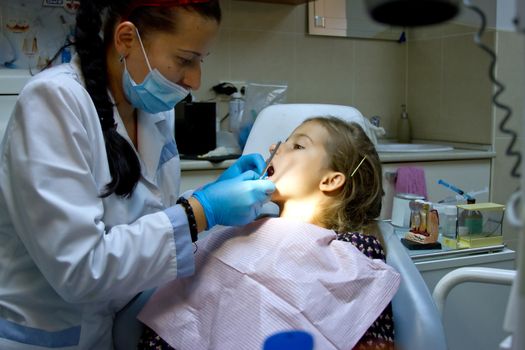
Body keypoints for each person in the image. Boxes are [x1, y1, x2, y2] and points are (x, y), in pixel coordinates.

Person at [0, 1, 275, 349]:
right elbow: (82, 269)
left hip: (118, 327)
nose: (194, 81)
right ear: (126, 39)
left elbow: (146, 219)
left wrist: (205, 197)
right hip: (51, 335)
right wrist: (200, 211)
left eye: (200, 61)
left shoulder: (153, 110)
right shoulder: (54, 102)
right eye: (185, 59)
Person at [138, 116, 396, 350]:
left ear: (330, 180)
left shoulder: (353, 251)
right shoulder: (243, 231)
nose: (274, 148)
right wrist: (202, 205)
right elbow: (177, 324)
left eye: (298, 146)